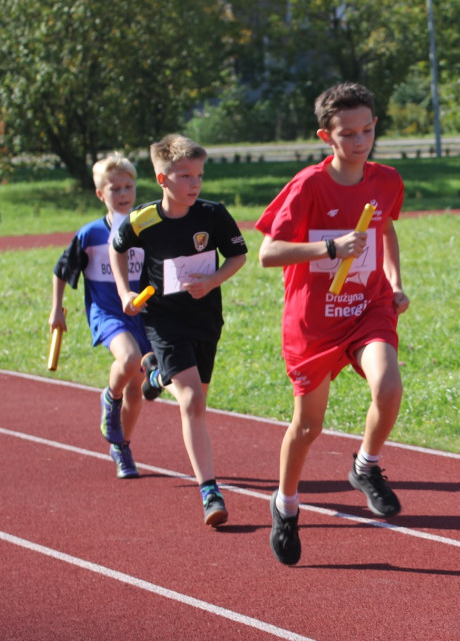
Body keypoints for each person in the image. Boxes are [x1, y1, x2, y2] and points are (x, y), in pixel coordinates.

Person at [256, 82, 409, 565]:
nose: (359, 141)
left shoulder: (385, 180)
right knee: (308, 427)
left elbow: (384, 228)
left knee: (388, 386)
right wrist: (329, 248)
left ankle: (367, 466)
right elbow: (268, 253)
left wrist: (393, 279)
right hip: (313, 323)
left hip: (368, 309)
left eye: (366, 130)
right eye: (347, 134)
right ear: (327, 136)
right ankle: (286, 504)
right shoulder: (308, 186)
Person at [109, 134, 247, 527]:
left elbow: (238, 255)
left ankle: (155, 374)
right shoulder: (144, 219)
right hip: (163, 317)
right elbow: (117, 248)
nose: (195, 183)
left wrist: (213, 280)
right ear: (162, 179)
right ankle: (210, 490)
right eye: (185, 175)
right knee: (191, 402)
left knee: (198, 397)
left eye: (199, 175)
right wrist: (125, 291)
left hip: (205, 319)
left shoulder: (213, 214)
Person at [50, 152, 149, 479]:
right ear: (100, 194)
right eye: (115, 189)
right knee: (129, 357)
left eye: (128, 187)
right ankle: (110, 396)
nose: (123, 195)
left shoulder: (146, 228)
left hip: (143, 314)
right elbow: (61, 270)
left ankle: (122, 445)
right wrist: (56, 310)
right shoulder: (90, 234)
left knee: (137, 391)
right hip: (107, 312)